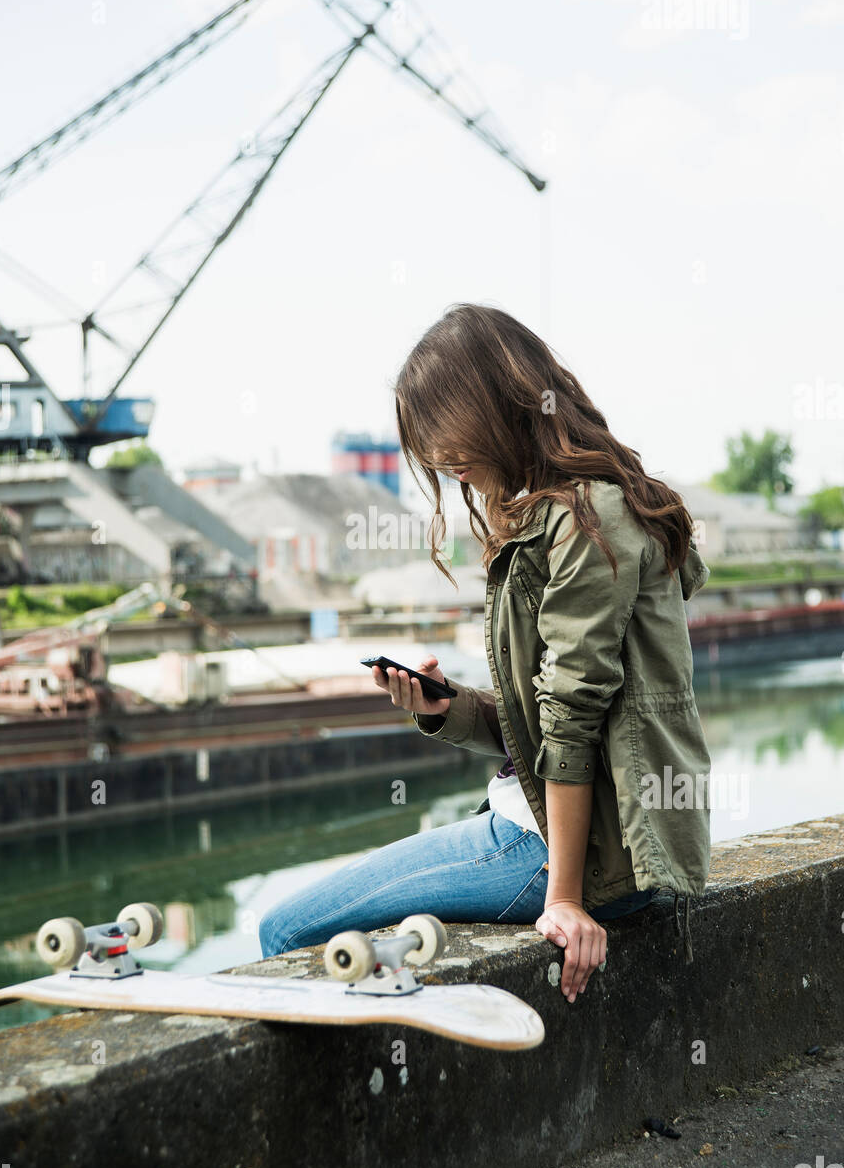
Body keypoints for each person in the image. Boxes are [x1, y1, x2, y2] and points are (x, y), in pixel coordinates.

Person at [258, 304, 712, 1003]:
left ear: (497, 405)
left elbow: (572, 718)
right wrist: (450, 710)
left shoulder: (588, 521)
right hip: (554, 837)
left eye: (445, 439)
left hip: (562, 854)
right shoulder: (577, 512)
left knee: (287, 933)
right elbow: (547, 718)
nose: (443, 463)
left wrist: (563, 898)